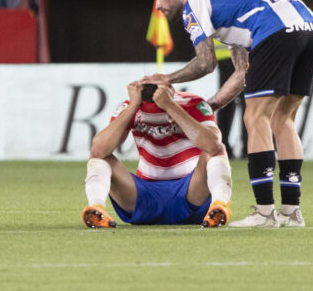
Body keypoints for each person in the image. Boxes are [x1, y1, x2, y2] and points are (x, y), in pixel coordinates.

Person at [146, 0, 313, 228]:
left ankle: (264, 213)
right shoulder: (228, 1)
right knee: (283, 120)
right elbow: (242, 73)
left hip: (277, 31)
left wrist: (166, 79)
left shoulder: (195, 1)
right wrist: (212, 104)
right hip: (310, 30)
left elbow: (206, 62)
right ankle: (291, 211)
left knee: (255, 119)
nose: (158, 4)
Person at [82, 82, 233, 228]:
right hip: (142, 198)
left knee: (215, 151)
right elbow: (98, 150)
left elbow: (214, 145)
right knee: (101, 158)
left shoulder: (193, 102)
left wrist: (170, 105)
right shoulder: (130, 106)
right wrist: (133, 106)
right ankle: (96, 208)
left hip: (191, 194)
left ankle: (219, 206)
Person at [214, 0, 249, 158]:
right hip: (240, 56)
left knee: (224, 101)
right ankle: (248, 148)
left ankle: (224, 146)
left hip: (221, 55)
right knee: (248, 103)